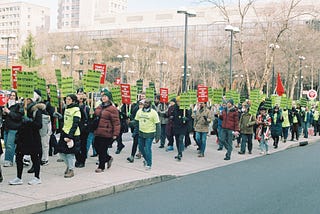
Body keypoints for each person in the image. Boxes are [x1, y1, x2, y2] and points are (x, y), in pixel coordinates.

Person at [9, 98, 43, 185]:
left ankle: (37, 177)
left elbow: (39, 125)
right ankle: (18, 177)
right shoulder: (21, 109)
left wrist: (29, 121)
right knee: (19, 156)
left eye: (27, 99)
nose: (25, 101)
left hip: (33, 138)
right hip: (22, 137)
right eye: (24, 99)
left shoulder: (36, 111)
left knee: (34, 157)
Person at [93, 89, 120, 173]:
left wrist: (115, 134)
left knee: (103, 149)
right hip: (98, 131)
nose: (103, 98)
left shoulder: (113, 109)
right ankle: (108, 158)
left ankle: (101, 166)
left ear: (109, 98)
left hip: (107, 132)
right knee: (96, 147)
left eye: (105, 96)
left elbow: (116, 122)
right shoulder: (99, 106)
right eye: (103, 96)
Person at [56, 94, 81, 178]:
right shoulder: (66, 109)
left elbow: (75, 124)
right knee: (61, 152)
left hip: (72, 134)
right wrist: (60, 118)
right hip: (64, 132)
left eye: (69, 99)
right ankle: (69, 166)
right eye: (66, 99)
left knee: (70, 153)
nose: (67, 101)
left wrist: (70, 136)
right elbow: (66, 121)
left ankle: (71, 170)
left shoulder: (76, 110)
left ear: (73, 101)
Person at [135, 98, 160, 170]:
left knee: (148, 148)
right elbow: (136, 121)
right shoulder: (139, 111)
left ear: (150, 104)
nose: (145, 104)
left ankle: (149, 163)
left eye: (147, 103)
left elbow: (158, 125)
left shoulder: (153, 113)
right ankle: (146, 159)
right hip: (141, 133)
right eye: (144, 103)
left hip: (150, 133)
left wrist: (157, 136)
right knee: (141, 148)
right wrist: (129, 123)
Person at [3, 90, 24, 167]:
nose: (12, 97)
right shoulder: (7, 104)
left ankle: (8, 160)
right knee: (6, 144)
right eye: (11, 95)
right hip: (7, 128)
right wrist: (4, 113)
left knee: (9, 145)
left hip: (14, 128)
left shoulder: (18, 106)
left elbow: (18, 117)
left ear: (16, 97)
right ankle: (16, 154)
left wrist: (9, 112)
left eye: (13, 95)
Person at [172, 96, 191, 161]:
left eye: (179, 101)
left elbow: (189, 118)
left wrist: (186, 119)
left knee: (180, 139)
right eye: (177, 101)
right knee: (177, 140)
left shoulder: (185, 109)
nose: (178, 103)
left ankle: (180, 153)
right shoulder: (175, 108)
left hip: (183, 127)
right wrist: (171, 117)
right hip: (176, 126)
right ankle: (179, 152)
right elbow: (173, 115)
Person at [75, 88, 90, 168]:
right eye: (78, 93)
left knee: (83, 146)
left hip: (83, 130)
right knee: (76, 146)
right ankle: (78, 159)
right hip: (75, 129)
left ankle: (82, 161)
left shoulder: (86, 107)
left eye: (82, 93)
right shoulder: (74, 106)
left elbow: (88, 118)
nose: (80, 95)